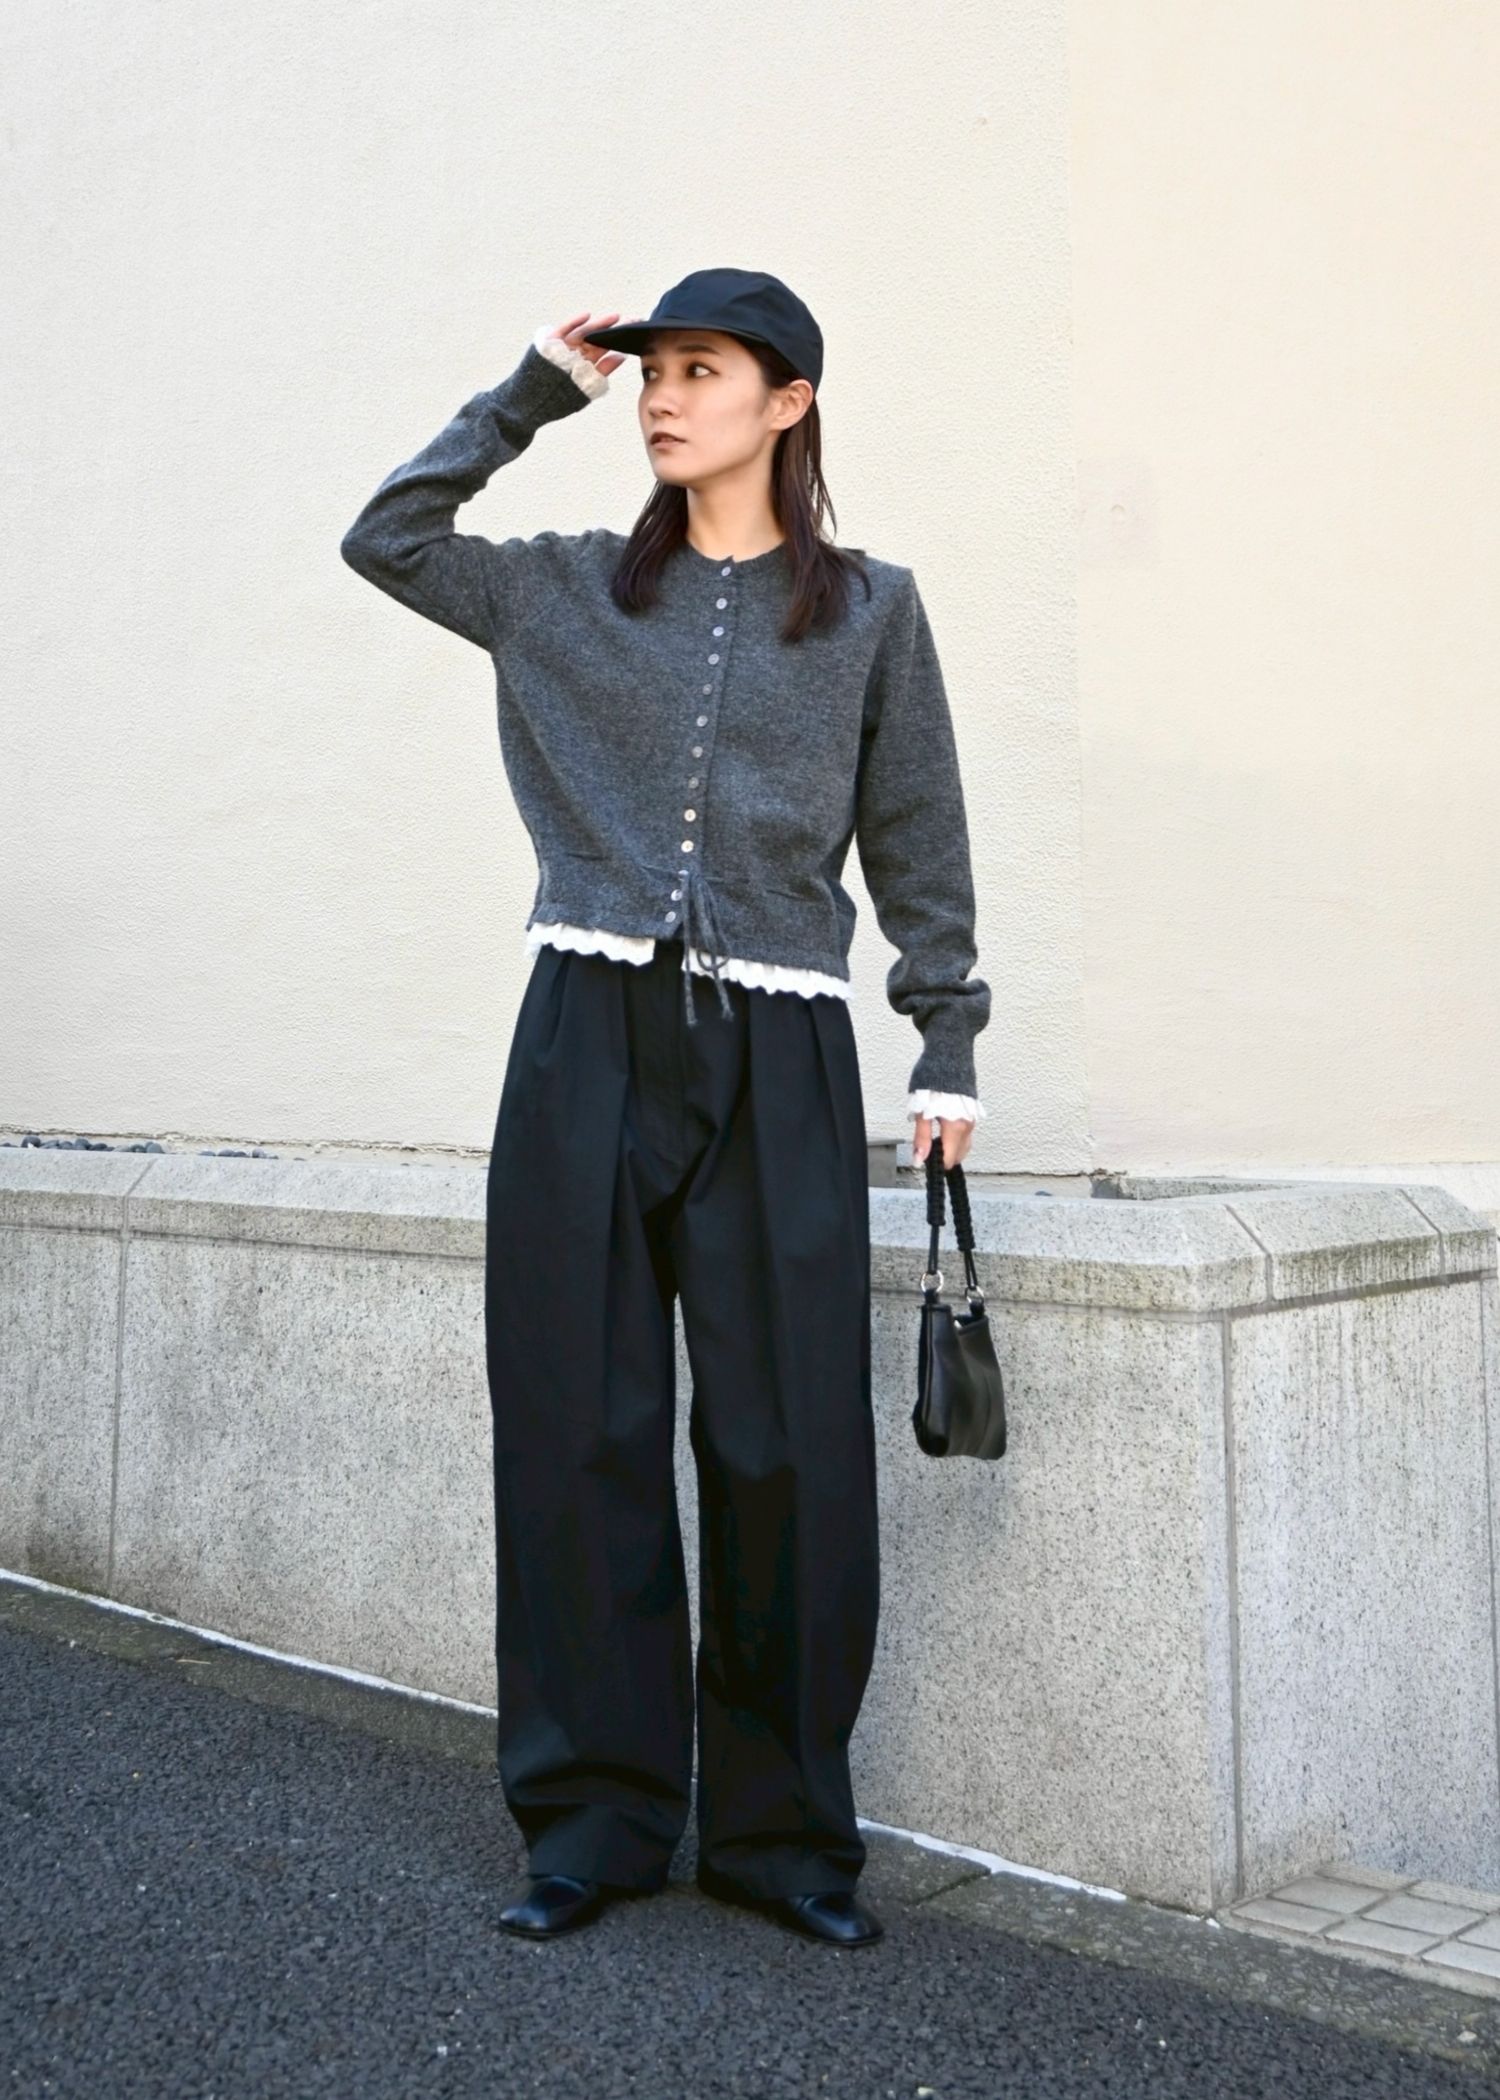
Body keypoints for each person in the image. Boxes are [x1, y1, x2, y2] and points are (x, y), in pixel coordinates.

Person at [340, 268, 990, 1949]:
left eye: (702, 371)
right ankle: (594, 1822)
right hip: (586, 1031)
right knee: (577, 1429)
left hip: (781, 1049)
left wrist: (946, 1041)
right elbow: (386, 539)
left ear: (789, 402)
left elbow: (917, 830)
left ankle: (781, 1840)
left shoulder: (872, 611)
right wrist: (526, 393)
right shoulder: (559, 586)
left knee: (788, 1446)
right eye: (652, 374)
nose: (664, 398)